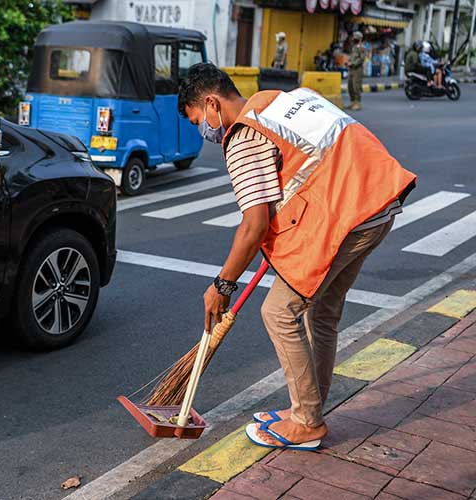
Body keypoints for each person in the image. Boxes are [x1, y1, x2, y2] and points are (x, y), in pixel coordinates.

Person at [177, 63, 416, 450]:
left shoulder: (243, 135)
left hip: (349, 213)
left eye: (198, 120)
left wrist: (222, 284)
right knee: (321, 313)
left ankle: (307, 421)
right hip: (378, 201)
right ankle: (310, 409)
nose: (205, 130)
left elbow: (253, 224)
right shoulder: (282, 101)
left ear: (211, 103)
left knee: (278, 312)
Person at [346, 31, 365, 110]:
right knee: (350, 86)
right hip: (351, 69)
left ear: (360, 38)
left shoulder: (361, 47)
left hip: (357, 69)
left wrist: (353, 63)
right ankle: (352, 102)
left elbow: (361, 58)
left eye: (356, 37)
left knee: (356, 86)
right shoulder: (354, 47)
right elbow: (352, 56)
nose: (354, 38)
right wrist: (348, 62)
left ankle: (357, 103)